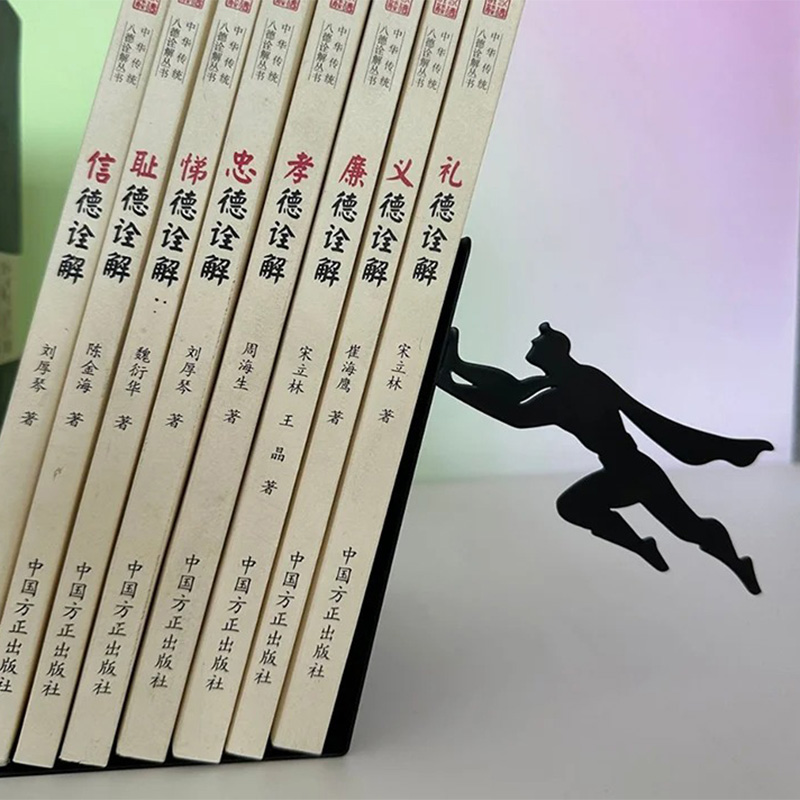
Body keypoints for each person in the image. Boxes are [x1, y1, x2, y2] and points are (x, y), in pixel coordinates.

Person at [437, 322, 773, 594]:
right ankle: (642, 546)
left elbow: (515, 414)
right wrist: (458, 366)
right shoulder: (577, 377)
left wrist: (450, 385)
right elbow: (513, 390)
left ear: (551, 353)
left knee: (689, 528)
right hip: (624, 470)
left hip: (633, 474)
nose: (532, 342)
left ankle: (734, 562)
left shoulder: (565, 395)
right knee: (577, 506)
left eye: (538, 342)